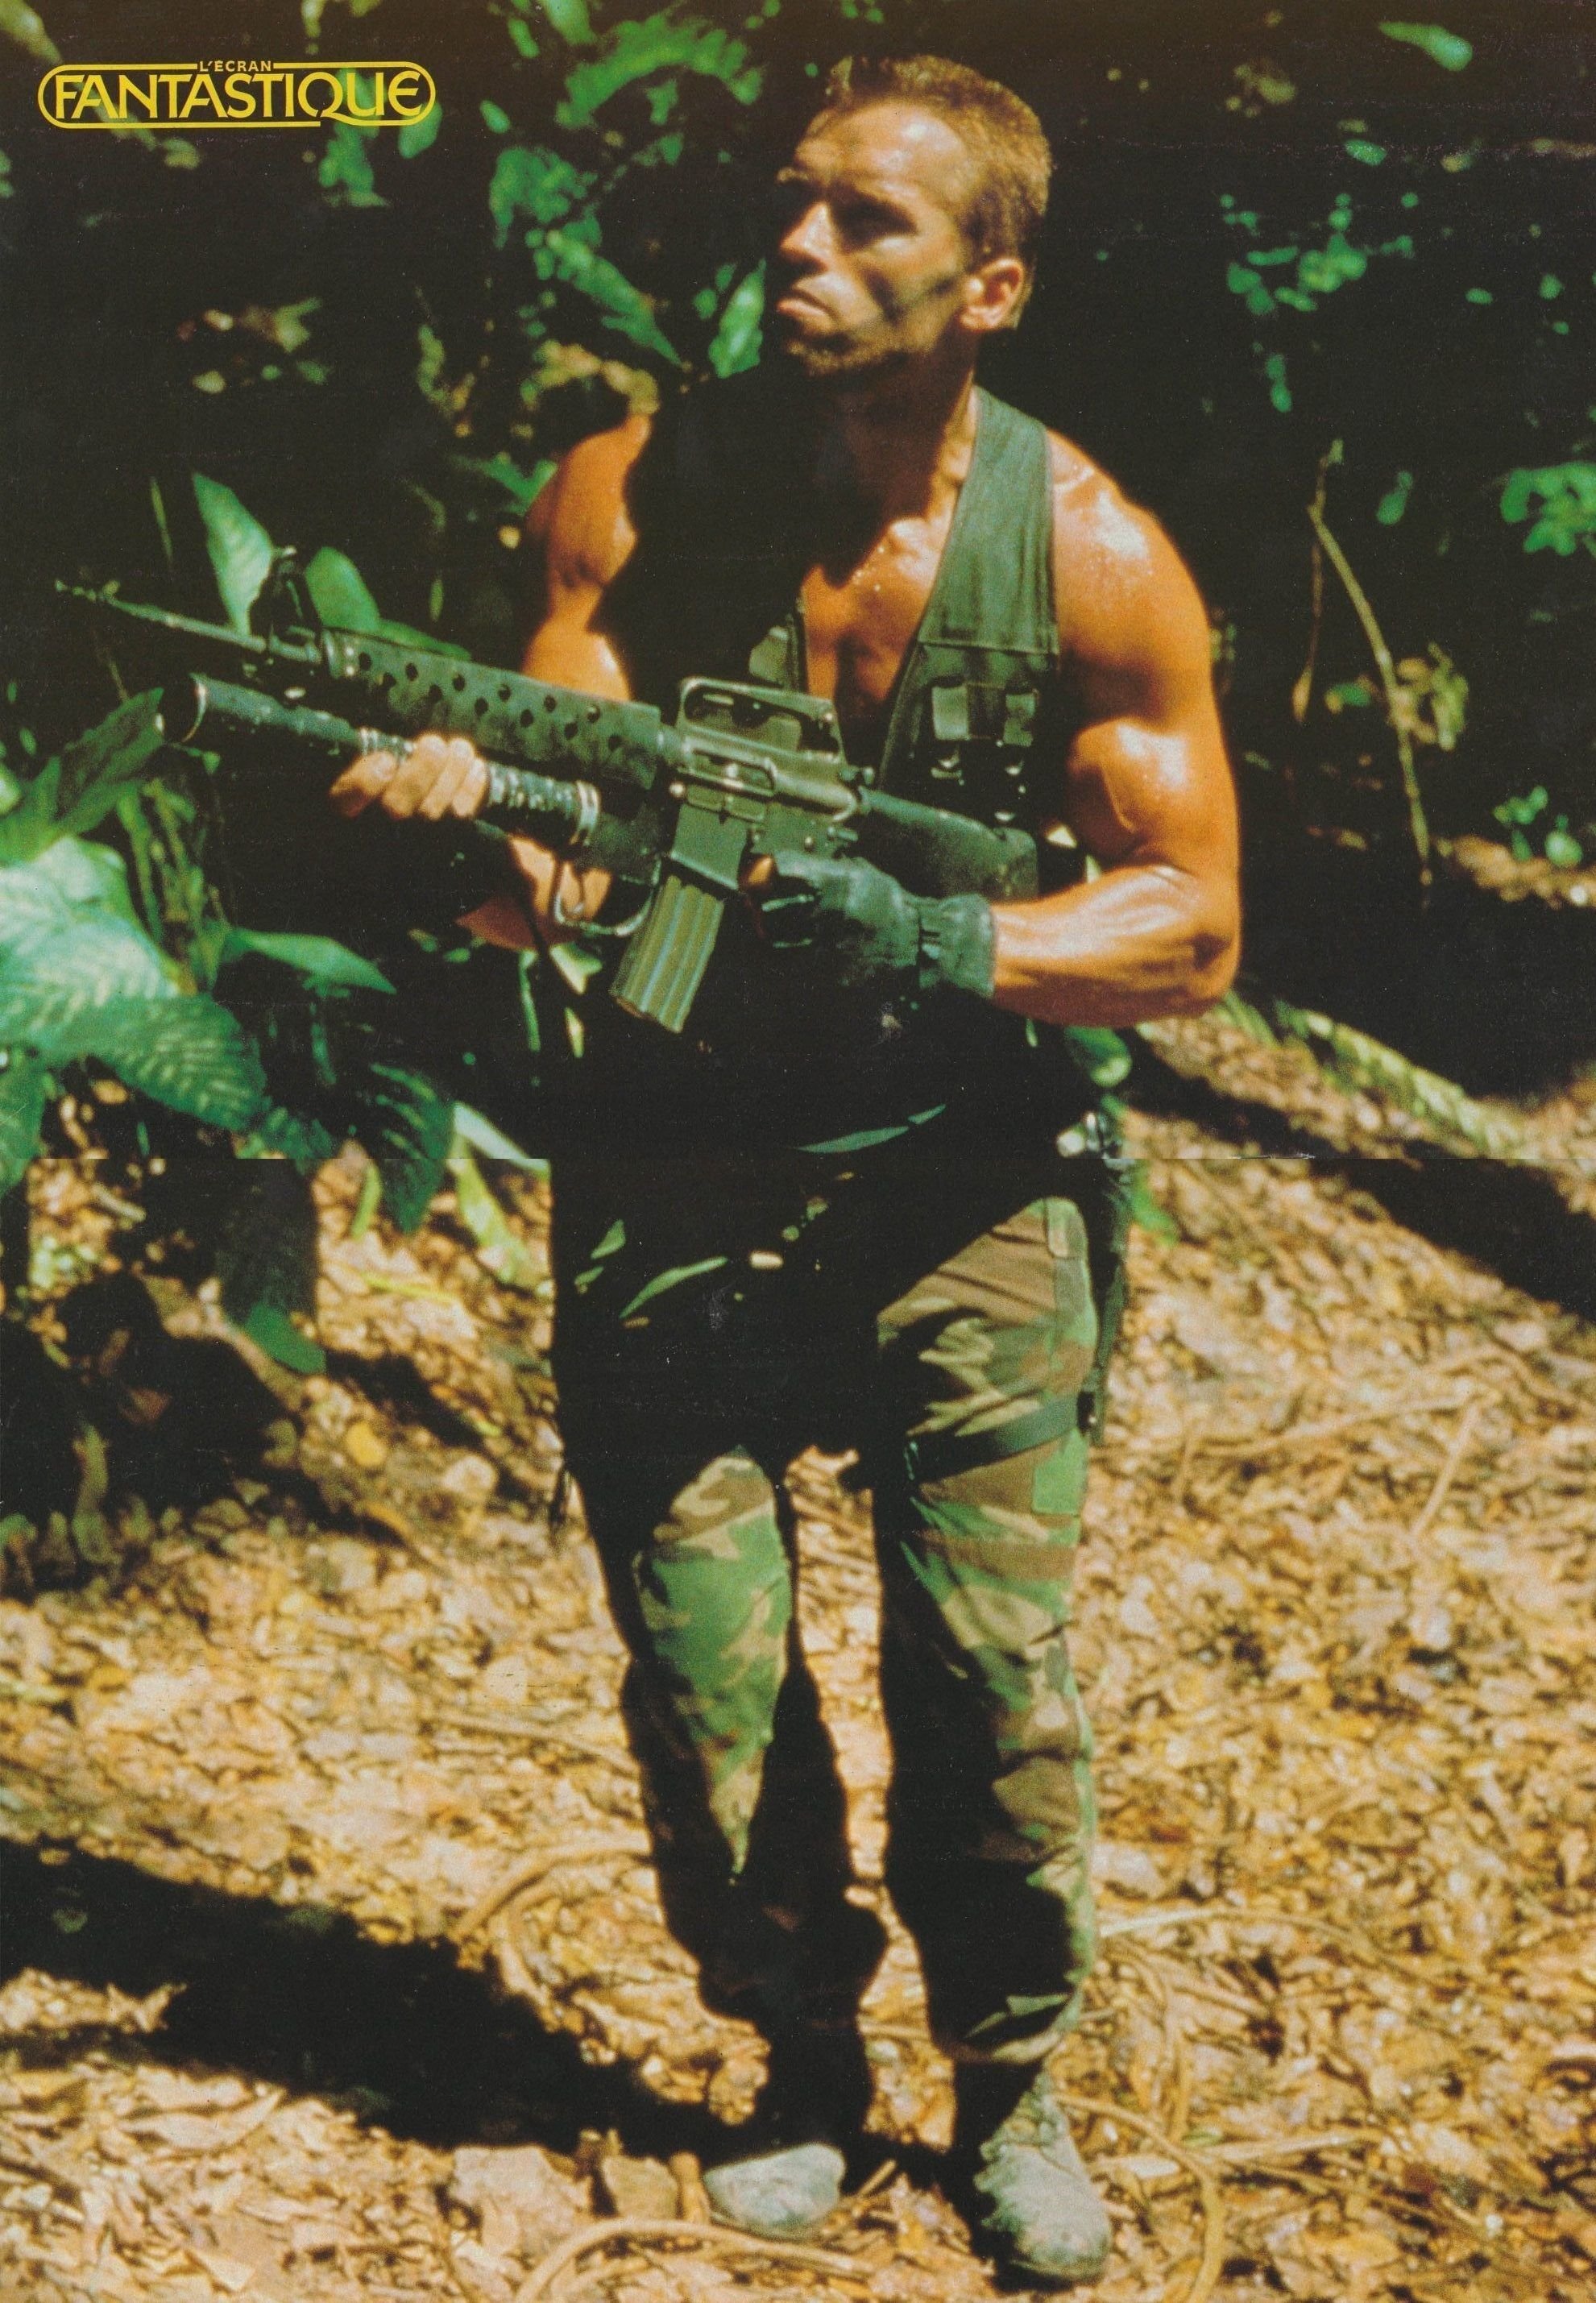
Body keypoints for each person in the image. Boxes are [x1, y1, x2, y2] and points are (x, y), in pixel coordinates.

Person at [332, 53, 1239, 2288]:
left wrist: (946, 942)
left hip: (964, 1178)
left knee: (989, 1678)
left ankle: (1007, 2085)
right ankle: (805, 2067)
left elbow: (1193, 927)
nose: (799, 248)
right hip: (677, 1156)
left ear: (991, 285)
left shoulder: (1096, 556)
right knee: (707, 1674)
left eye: (867, 221)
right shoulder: (632, 492)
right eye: (792, 205)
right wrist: (457, 833)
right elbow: (552, 859)